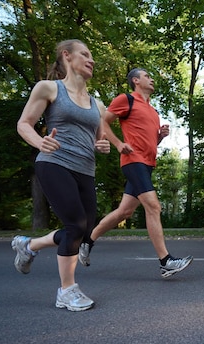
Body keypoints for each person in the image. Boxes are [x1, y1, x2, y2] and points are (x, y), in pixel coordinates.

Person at [12, 39, 111, 311]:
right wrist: (39, 142)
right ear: (67, 56)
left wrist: (102, 145)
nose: (91, 60)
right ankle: (67, 291)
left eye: (92, 56)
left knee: (83, 229)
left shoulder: (96, 105)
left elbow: (100, 140)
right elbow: (24, 124)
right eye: (85, 54)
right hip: (54, 162)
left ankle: (29, 245)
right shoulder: (49, 88)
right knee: (77, 225)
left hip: (85, 170)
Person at [78, 68, 192, 279]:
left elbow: (150, 142)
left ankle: (88, 240)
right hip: (132, 161)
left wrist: (161, 137)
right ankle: (166, 262)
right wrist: (119, 144)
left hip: (147, 164)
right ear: (136, 80)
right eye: (147, 76)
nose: (152, 79)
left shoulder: (154, 112)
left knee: (124, 212)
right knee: (153, 206)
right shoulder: (126, 99)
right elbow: (103, 121)